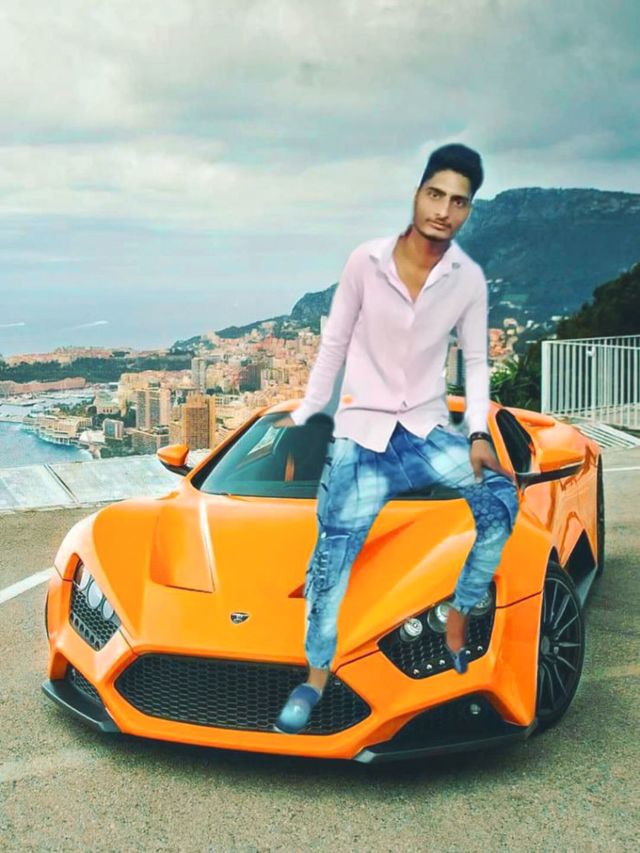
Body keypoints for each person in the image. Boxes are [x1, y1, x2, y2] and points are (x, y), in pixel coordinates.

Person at [271, 143, 520, 735]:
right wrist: (308, 409)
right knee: (329, 564)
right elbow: (334, 342)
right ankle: (314, 678)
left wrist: (478, 432)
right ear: (417, 194)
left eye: (458, 201)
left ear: (468, 211)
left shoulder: (467, 279)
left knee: (502, 498)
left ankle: (460, 608)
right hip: (361, 441)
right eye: (435, 194)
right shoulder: (366, 262)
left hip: (425, 435)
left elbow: (476, 363)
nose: (444, 210)